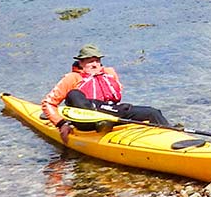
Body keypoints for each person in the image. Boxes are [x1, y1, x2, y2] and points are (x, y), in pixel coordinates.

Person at [42, 46, 171, 143]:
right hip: (86, 120)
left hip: (108, 112)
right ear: (80, 63)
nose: (94, 64)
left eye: (97, 60)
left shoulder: (109, 73)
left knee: (152, 112)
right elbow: (48, 103)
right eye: (89, 61)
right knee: (74, 94)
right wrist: (61, 124)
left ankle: (171, 137)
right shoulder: (72, 78)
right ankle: (101, 122)